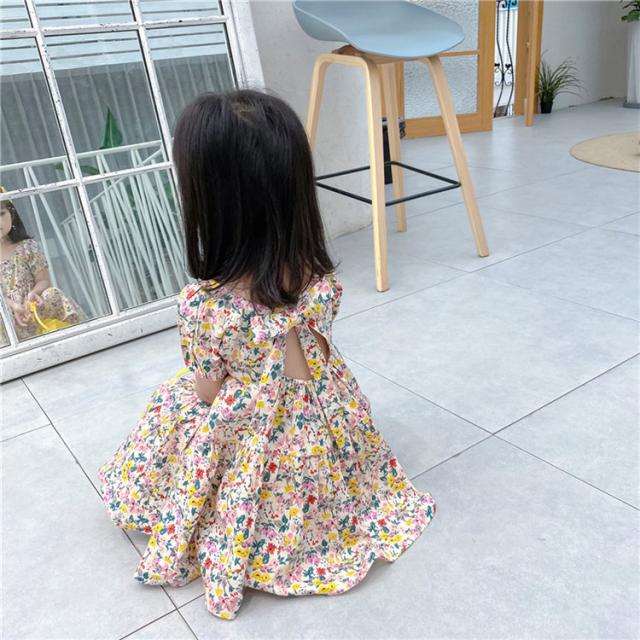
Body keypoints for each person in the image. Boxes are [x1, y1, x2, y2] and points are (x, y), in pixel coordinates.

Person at [97, 90, 436, 620]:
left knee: (178, 406)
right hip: (325, 420)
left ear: (210, 203)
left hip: (263, 445)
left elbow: (208, 390)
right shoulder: (315, 275)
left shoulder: (205, 305)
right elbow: (316, 348)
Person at [0, 188, 85, 341]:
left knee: (52, 294)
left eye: (1, 214)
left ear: (11, 214)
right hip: (7, 315)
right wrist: (13, 306)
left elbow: (43, 280)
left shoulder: (27, 247)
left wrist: (34, 294)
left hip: (33, 308)